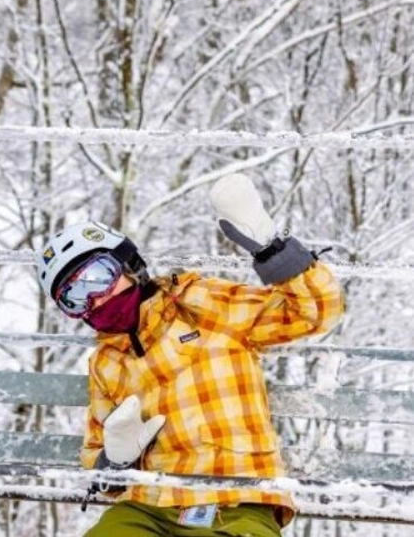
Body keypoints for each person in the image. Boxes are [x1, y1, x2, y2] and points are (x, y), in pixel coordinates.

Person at [36, 173, 344, 536]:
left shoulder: (199, 303)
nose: (95, 299)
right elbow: (96, 461)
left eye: (97, 277)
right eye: (73, 298)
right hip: (149, 506)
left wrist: (271, 248)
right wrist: (114, 461)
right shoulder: (107, 363)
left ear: (129, 264)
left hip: (237, 495)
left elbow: (314, 312)